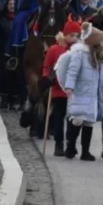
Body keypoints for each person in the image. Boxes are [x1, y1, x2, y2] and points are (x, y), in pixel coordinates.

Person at [62, 24, 103, 161]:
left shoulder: (100, 57)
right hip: (80, 92)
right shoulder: (79, 54)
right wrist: (69, 86)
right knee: (77, 119)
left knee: (89, 122)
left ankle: (85, 151)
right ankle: (70, 146)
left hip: (93, 95)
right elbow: (72, 71)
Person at [42, 15, 82, 157]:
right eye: (72, 35)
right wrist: (47, 77)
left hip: (74, 91)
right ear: (65, 34)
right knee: (59, 117)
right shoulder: (54, 49)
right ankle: (59, 143)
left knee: (73, 119)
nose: (75, 38)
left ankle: (70, 143)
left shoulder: (79, 51)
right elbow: (47, 66)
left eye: (77, 35)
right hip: (58, 89)